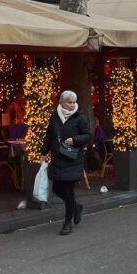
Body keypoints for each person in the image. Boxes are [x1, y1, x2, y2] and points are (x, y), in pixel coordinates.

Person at [41, 90, 91, 235]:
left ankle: (67, 222)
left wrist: (75, 140)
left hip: (72, 159)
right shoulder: (55, 116)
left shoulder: (80, 117)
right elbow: (49, 135)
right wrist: (44, 152)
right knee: (56, 188)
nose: (72, 105)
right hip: (58, 158)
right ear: (62, 103)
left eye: (74, 102)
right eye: (69, 102)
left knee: (68, 192)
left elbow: (88, 135)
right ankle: (76, 207)